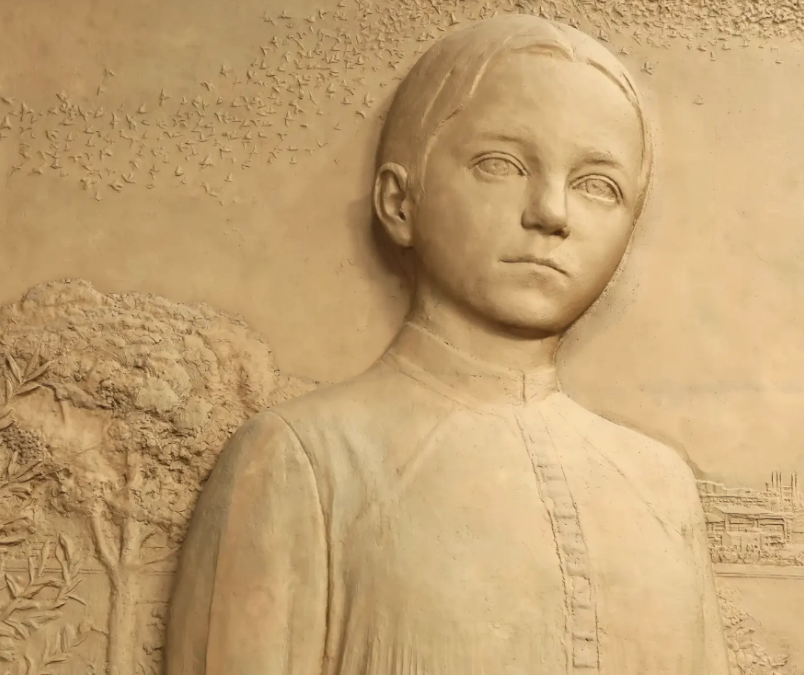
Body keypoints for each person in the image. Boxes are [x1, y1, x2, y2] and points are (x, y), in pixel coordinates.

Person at [165, 13, 729, 675]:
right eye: (501, 165)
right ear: (400, 202)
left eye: (596, 186)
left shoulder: (660, 486)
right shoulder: (302, 461)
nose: (552, 212)